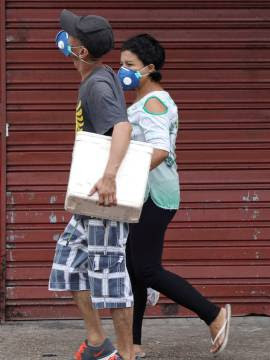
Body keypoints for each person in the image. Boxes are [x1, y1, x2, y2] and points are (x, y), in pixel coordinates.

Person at [118, 34, 231, 357]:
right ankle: (133, 344)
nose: (122, 70)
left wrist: (120, 173)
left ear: (149, 68)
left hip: (154, 194)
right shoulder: (147, 101)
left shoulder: (154, 103)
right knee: (134, 268)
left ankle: (213, 314)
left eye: (129, 65)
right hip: (145, 194)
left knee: (147, 269)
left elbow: (160, 149)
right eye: (121, 63)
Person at [48, 9, 134, 360]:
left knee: (110, 275)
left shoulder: (97, 85)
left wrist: (110, 175)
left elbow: (123, 129)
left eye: (71, 37)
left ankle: (127, 355)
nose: (64, 39)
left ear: (80, 51)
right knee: (67, 263)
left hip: (104, 198)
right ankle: (98, 342)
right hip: (88, 199)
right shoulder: (99, 75)